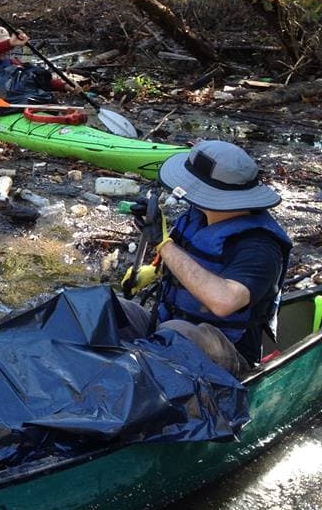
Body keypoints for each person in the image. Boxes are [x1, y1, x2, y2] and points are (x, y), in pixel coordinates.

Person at [120, 140, 292, 378]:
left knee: (175, 334)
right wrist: (154, 271)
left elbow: (224, 301)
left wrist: (164, 244)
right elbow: (190, 263)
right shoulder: (199, 215)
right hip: (165, 328)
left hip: (229, 352)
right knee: (108, 309)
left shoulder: (259, 247)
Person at [0, 26, 69, 110]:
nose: (7, 50)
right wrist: (9, 43)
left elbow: (33, 78)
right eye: (1, 45)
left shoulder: (11, 63)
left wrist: (65, 86)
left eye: (8, 46)